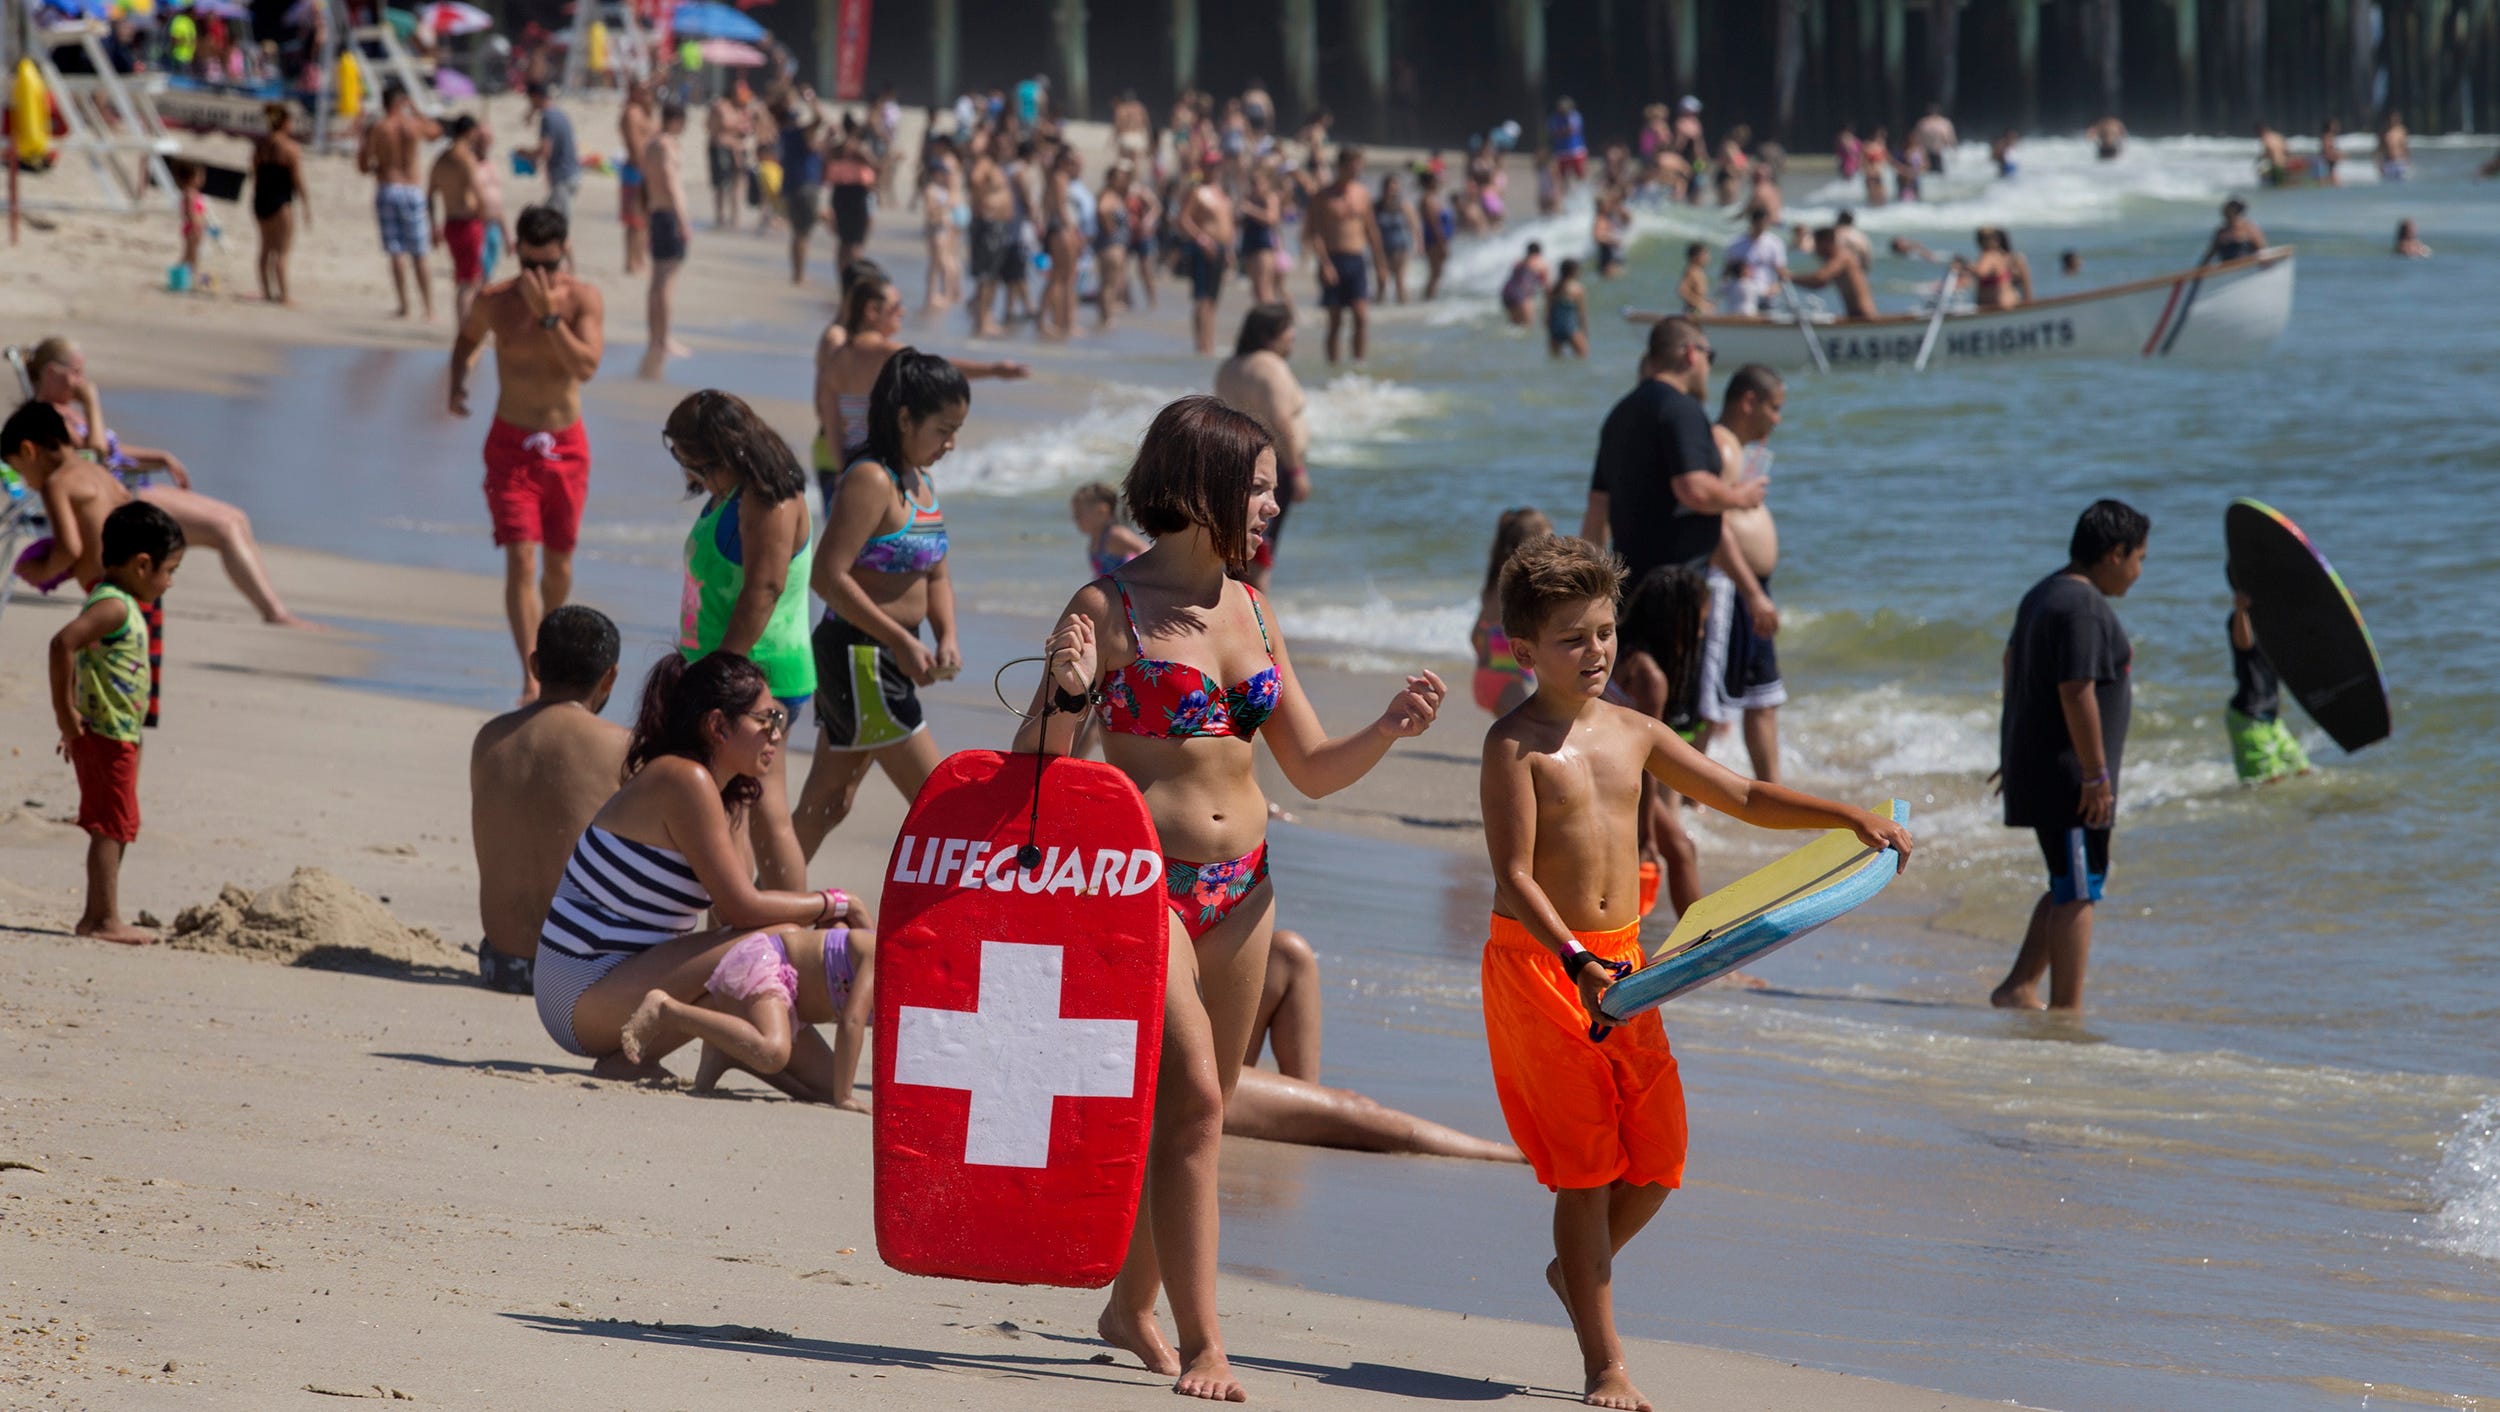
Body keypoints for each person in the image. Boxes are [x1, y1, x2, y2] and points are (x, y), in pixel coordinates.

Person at [1019, 395, 1447, 1401]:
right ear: (1200, 483)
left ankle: (1129, 1306)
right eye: (1258, 487)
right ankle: (1207, 1340)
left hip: (1244, 889)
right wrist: (1071, 693)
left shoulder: (1253, 610)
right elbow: (1033, 767)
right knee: (1201, 1101)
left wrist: (1387, 726)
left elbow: (1311, 768)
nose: (1273, 505)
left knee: (1194, 1117)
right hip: (1142, 884)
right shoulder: (1107, 608)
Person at [1477, 534, 1910, 1412]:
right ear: (1525, 651)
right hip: (1545, 966)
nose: (1595, 652)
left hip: (1631, 968)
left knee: (1659, 1156)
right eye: (1572, 638)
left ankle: (1576, 1271)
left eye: (1604, 632)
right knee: (1585, 1168)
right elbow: (1516, 875)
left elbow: (1741, 796)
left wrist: (1846, 817)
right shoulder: (1513, 746)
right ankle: (1605, 1364)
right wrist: (1576, 960)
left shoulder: (1635, 732)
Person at [531, 651, 861, 1089]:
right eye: (766, 720)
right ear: (719, 726)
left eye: (779, 719)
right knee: (777, 936)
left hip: (616, 983)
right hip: (582, 989)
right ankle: (636, 1056)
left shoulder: (718, 791)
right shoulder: (683, 780)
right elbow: (744, 909)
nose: (777, 734)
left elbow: (732, 917)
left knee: (826, 1084)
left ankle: (729, 1045)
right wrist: (836, 903)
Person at [792, 350, 965, 860]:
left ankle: (762, 896)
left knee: (829, 801)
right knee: (941, 802)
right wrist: (901, 641)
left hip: (886, 655)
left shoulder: (922, 481)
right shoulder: (871, 480)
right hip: (860, 657)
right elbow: (827, 576)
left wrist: (946, 635)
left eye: (957, 431)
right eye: (943, 430)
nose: (951, 444)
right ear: (905, 418)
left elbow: (936, 573)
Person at [24, 338, 305, 632]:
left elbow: (110, 450)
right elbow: (97, 452)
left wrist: (160, 456)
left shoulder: (68, 412)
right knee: (225, 527)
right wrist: (92, 401)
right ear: (52, 372)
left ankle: (274, 608)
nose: (82, 382)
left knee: (237, 517)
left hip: (124, 485)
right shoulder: (46, 417)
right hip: (112, 498)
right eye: (76, 373)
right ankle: (275, 613)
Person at [1993, 498, 2148, 1013]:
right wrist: (2096, 775)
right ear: (2115, 552)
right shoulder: (2082, 607)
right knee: (2080, 893)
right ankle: (2066, 1013)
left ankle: (2018, 987)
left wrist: (2013, 746)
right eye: (2139, 559)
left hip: (2045, 767)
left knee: (2067, 883)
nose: (2138, 572)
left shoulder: (2043, 593)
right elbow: (2076, 690)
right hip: (2072, 781)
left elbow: (2012, 663)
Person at [450, 204, 607, 704]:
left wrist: (549, 319)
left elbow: (586, 367)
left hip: (566, 447)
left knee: (558, 567)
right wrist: (456, 381)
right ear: (517, 253)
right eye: (530, 264)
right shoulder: (495, 300)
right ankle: (531, 676)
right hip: (511, 445)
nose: (540, 275)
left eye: (550, 265)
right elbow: (466, 339)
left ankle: (552, 659)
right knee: (521, 557)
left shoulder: (582, 299)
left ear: (566, 253)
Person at [669, 389, 815, 897]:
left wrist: (718, 673)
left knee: (758, 811)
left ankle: (776, 925)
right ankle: (745, 924)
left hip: (756, 675)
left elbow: (765, 589)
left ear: (723, 453)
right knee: (736, 807)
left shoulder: (766, 498)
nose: (692, 474)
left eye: (696, 464)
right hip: (732, 671)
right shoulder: (730, 493)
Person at [469, 604, 628, 993]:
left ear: (536, 665)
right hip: (587, 972)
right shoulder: (622, 748)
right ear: (610, 677)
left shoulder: (490, 739)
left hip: (501, 966)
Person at [46, 499, 183, 946]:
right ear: (143, 565)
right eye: (170, 571)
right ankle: (102, 919)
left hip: (117, 732)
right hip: (106, 734)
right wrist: (66, 714)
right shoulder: (115, 607)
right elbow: (62, 644)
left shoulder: (116, 600)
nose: (170, 582)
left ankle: (99, 914)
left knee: (118, 822)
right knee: (111, 825)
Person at [811, 265, 1027, 511]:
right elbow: (936, 370)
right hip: (881, 467)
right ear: (872, 311)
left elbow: (830, 422)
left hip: (841, 464)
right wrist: (994, 370)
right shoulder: (888, 353)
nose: (903, 311)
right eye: (896, 307)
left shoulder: (836, 359)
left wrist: (843, 469)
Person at [1581, 316, 1764, 589]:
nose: (1708, 367)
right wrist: (1740, 497)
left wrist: (1591, 586)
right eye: (1709, 356)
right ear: (1691, 353)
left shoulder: (1619, 413)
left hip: (1631, 582)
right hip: (1676, 585)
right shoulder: (1682, 409)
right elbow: (1693, 488)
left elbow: (1597, 507)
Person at [1700, 365, 1785, 782]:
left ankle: (1775, 797)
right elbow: (1711, 524)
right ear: (1749, 401)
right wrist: (1752, 591)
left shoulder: (1737, 449)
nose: (1777, 420)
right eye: (1774, 408)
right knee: (1710, 704)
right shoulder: (1722, 446)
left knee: (1762, 697)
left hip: (1750, 586)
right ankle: (1680, 797)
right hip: (1733, 585)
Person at [1210, 304, 1307, 592]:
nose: (1293, 335)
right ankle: (1258, 613)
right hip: (1269, 468)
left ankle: (1234, 608)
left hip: (1232, 464)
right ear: (1269, 335)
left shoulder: (1229, 367)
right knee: (1261, 549)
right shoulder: (1270, 366)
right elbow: (1280, 419)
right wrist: (1297, 470)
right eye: (1287, 328)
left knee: (1237, 548)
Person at [356, 85, 442, 319]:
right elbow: (436, 132)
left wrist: (377, 165)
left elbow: (363, 166)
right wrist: (416, 110)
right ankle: (429, 309)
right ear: (401, 102)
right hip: (412, 188)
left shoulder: (379, 128)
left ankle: (404, 306)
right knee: (419, 252)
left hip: (388, 187)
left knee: (396, 251)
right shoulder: (414, 125)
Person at [2224, 572, 2310, 786]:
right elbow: (2244, 645)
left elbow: (2303, 620)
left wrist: (2333, 605)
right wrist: (2241, 609)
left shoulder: (2274, 620)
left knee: (2302, 770)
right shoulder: (2239, 620)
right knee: (2266, 783)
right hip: (2248, 718)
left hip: (2272, 718)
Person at [1305, 147, 1387, 365]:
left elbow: (1371, 230)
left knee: (1361, 316)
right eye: (1353, 166)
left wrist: (1380, 264)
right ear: (1341, 167)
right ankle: (1333, 366)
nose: (1357, 171)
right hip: (1333, 260)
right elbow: (1314, 233)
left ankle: (1358, 363)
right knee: (1335, 320)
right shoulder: (1323, 196)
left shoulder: (1362, 193)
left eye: (1359, 166)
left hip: (1357, 259)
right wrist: (1324, 263)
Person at [1472, 506, 1550, 714]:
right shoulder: (1520, 586)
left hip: (1485, 677)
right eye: (1547, 541)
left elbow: (1474, 636)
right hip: (1508, 681)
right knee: (1533, 730)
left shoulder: (1493, 584)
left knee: (1516, 732)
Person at [640, 101, 693, 379]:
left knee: (656, 280)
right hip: (669, 215)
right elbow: (670, 181)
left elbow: (646, 183)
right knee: (666, 280)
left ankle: (655, 338)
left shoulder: (651, 145)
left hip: (656, 212)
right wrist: (683, 221)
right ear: (676, 121)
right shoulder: (666, 146)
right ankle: (664, 338)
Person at [427, 115, 492, 326]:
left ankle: (465, 326)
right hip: (468, 223)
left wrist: (433, 225)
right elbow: (479, 194)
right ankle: (465, 328)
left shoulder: (441, 159)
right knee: (470, 281)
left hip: (450, 223)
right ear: (470, 132)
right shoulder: (465, 159)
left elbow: (429, 195)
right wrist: (486, 218)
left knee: (464, 278)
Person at [249, 102, 309, 306]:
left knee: (265, 248)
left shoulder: (260, 147)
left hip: (260, 200)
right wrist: (306, 204)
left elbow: (255, 176)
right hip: (281, 202)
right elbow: (297, 180)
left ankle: (267, 292)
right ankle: (284, 295)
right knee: (282, 251)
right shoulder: (291, 148)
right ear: (284, 122)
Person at [775, 97, 826, 285]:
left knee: (797, 233)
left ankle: (797, 273)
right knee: (803, 233)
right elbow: (820, 119)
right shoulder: (799, 133)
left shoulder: (784, 135)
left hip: (791, 187)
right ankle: (800, 275)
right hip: (806, 187)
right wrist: (812, 100)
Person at [1788, 226, 1875, 320]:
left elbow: (1819, 280)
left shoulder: (1842, 257)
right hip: (1855, 317)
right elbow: (1820, 283)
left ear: (1827, 243)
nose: (1816, 251)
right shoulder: (1842, 257)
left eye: (1817, 245)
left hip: (1864, 317)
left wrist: (1789, 277)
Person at [615, 83, 658, 276]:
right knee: (634, 219)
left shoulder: (645, 112)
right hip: (636, 169)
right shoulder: (631, 112)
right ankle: (632, 262)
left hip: (646, 170)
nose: (647, 95)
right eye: (643, 91)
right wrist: (646, 169)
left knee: (644, 219)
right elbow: (635, 145)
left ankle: (639, 259)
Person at [827, 120, 879, 275]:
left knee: (849, 241)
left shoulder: (846, 148)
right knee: (852, 241)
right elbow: (875, 165)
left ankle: (848, 277)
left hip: (850, 192)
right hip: (850, 193)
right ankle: (850, 277)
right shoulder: (843, 148)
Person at [525, 82, 582, 218]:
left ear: (535, 97)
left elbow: (545, 151)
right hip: (572, 174)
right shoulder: (560, 114)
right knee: (547, 218)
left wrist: (525, 154)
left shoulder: (547, 117)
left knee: (556, 222)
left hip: (563, 177)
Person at [1071, 480, 1147, 577]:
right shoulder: (1094, 540)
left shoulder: (1116, 534)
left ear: (1102, 511)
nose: (1074, 518)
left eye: (1078, 514)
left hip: (1127, 583)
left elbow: (1145, 551)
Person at [1720, 205, 1785, 316]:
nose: (1762, 227)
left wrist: (1776, 287)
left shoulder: (1775, 243)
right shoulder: (1736, 244)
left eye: (1765, 223)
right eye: (1759, 223)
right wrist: (1726, 289)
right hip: (1744, 294)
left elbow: (1781, 273)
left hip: (1766, 293)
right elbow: (1727, 271)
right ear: (1752, 222)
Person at [705, 90, 750, 227]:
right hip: (721, 147)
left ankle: (735, 216)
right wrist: (738, 125)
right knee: (721, 184)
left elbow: (748, 128)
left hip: (737, 149)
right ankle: (720, 217)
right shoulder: (721, 106)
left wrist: (739, 126)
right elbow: (722, 123)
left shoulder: (741, 109)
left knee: (738, 183)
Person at [1374, 171, 1416, 304]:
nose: (1393, 191)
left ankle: (1404, 307)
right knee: (1382, 279)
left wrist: (1419, 244)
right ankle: (1378, 306)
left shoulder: (1404, 205)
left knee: (1399, 281)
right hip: (1381, 247)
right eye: (1391, 187)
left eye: (1396, 188)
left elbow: (1414, 226)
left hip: (1401, 246)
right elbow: (1369, 227)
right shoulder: (1376, 207)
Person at [170, 159, 208, 289]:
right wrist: (196, 226)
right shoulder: (190, 194)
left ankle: (182, 278)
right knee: (192, 256)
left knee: (189, 255)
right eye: (199, 176)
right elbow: (190, 213)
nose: (202, 179)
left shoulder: (194, 193)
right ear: (190, 178)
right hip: (193, 229)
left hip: (196, 228)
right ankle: (191, 280)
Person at [1417, 168, 1453, 301]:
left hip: (1438, 240)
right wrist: (1442, 243)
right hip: (1435, 240)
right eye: (1436, 181)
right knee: (1435, 272)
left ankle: (1430, 297)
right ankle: (1428, 298)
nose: (1438, 183)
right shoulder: (1427, 200)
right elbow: (1433, 224)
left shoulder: (1432, 198)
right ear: (1430, 182)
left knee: (1437, 272)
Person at [1547, 257, 1589, 360]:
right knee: (1583, 357)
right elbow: (1581, 313)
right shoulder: (1578, 289)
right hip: (1571, 327)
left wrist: (1549, 328)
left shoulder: (1552, 288)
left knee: (1555, 360)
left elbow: (1548, 312)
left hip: (1555, 328)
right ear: (1573, 272)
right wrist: (1584, 330)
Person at [1501, 242, 1549, 326]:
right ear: (1539, 252)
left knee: (1515, 325)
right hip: (1522, 293)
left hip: (1507, 292)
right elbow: (1546, 286)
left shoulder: (1519, 262)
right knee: (1527, 324)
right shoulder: (1540, 263)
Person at [2205, 198, 2267, 264]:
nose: (2226, 217)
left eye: (2228, 214)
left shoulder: (2249, 229)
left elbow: (2262, 251)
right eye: (2225, 214)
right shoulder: (2221, 232)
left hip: (2247, 266)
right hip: (2227, 268)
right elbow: (2209, 255)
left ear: (2236, 213)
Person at [1676, 242, 1713, 314]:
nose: (1708, 257)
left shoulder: (1699, 271)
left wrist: (1707, 302)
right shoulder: (1691, 271)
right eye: (1705, 254)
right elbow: (1682, 291)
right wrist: (1701, 304)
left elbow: (1698, 294)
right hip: (1693, 312)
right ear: (1695, 256)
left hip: (1698, 312)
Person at [2377, 110, 2412, 180]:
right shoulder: (2386, 131)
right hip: (2388, 161)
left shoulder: (2402, 131)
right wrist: (2379, 163)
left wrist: (2408, 160)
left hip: (2399, 161)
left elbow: (2405, 147)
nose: (2395, 119)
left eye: (2396, 118)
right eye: (2393, 118)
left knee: (2401, 182)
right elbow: (2380, 149)